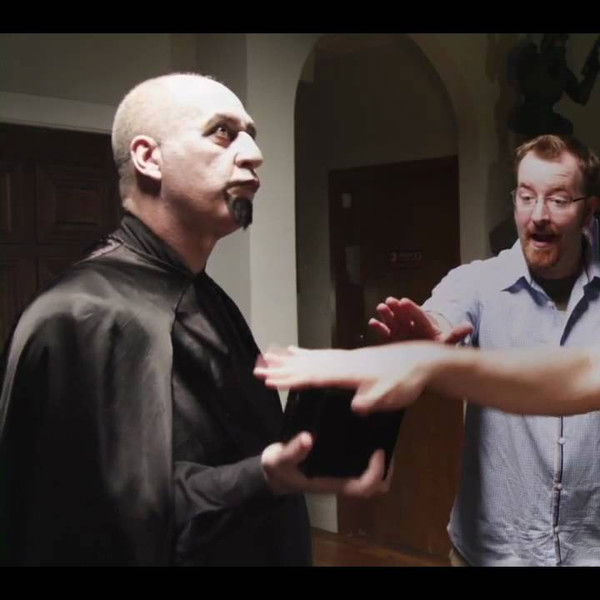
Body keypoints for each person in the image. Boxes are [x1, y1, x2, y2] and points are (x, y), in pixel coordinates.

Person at [0, 73, 388, 566]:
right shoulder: (79, 315)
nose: (254, 154)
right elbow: (91, 521)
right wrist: (262, 476)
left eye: (251, 135)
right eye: (223, 133)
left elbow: (232, 449)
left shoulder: (204, 296)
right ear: (149, 158)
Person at [258, 134, 600, 566]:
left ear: (590, 209)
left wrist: (430, 362)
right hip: (492, 555)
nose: (538, 216)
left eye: (559, 200)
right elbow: (441, 316)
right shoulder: (476, 283)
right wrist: (427, 340)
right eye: (526, 196)